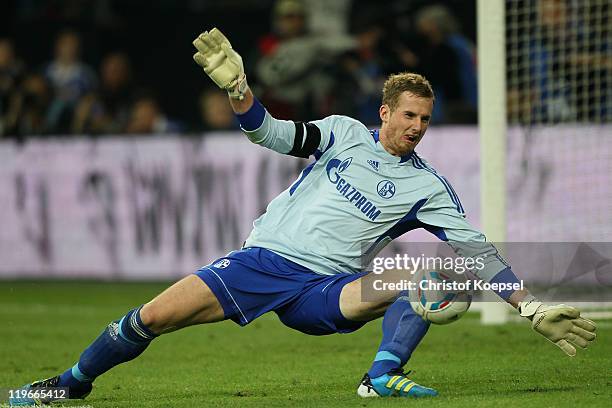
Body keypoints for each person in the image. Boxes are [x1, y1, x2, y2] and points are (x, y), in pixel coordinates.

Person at [11, 28, 597, 405]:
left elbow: (480, 251)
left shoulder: (427, 187)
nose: (418, 128)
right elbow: (269, 132)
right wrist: (241, 90)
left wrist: (531, 305)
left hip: (326, 290)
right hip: (264, 262)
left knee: (426, 276)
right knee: (152, 317)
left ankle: (381, 377)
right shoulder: (342, 133)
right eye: (410, 116)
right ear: (386, 111)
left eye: (426, 119)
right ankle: (69, 385)